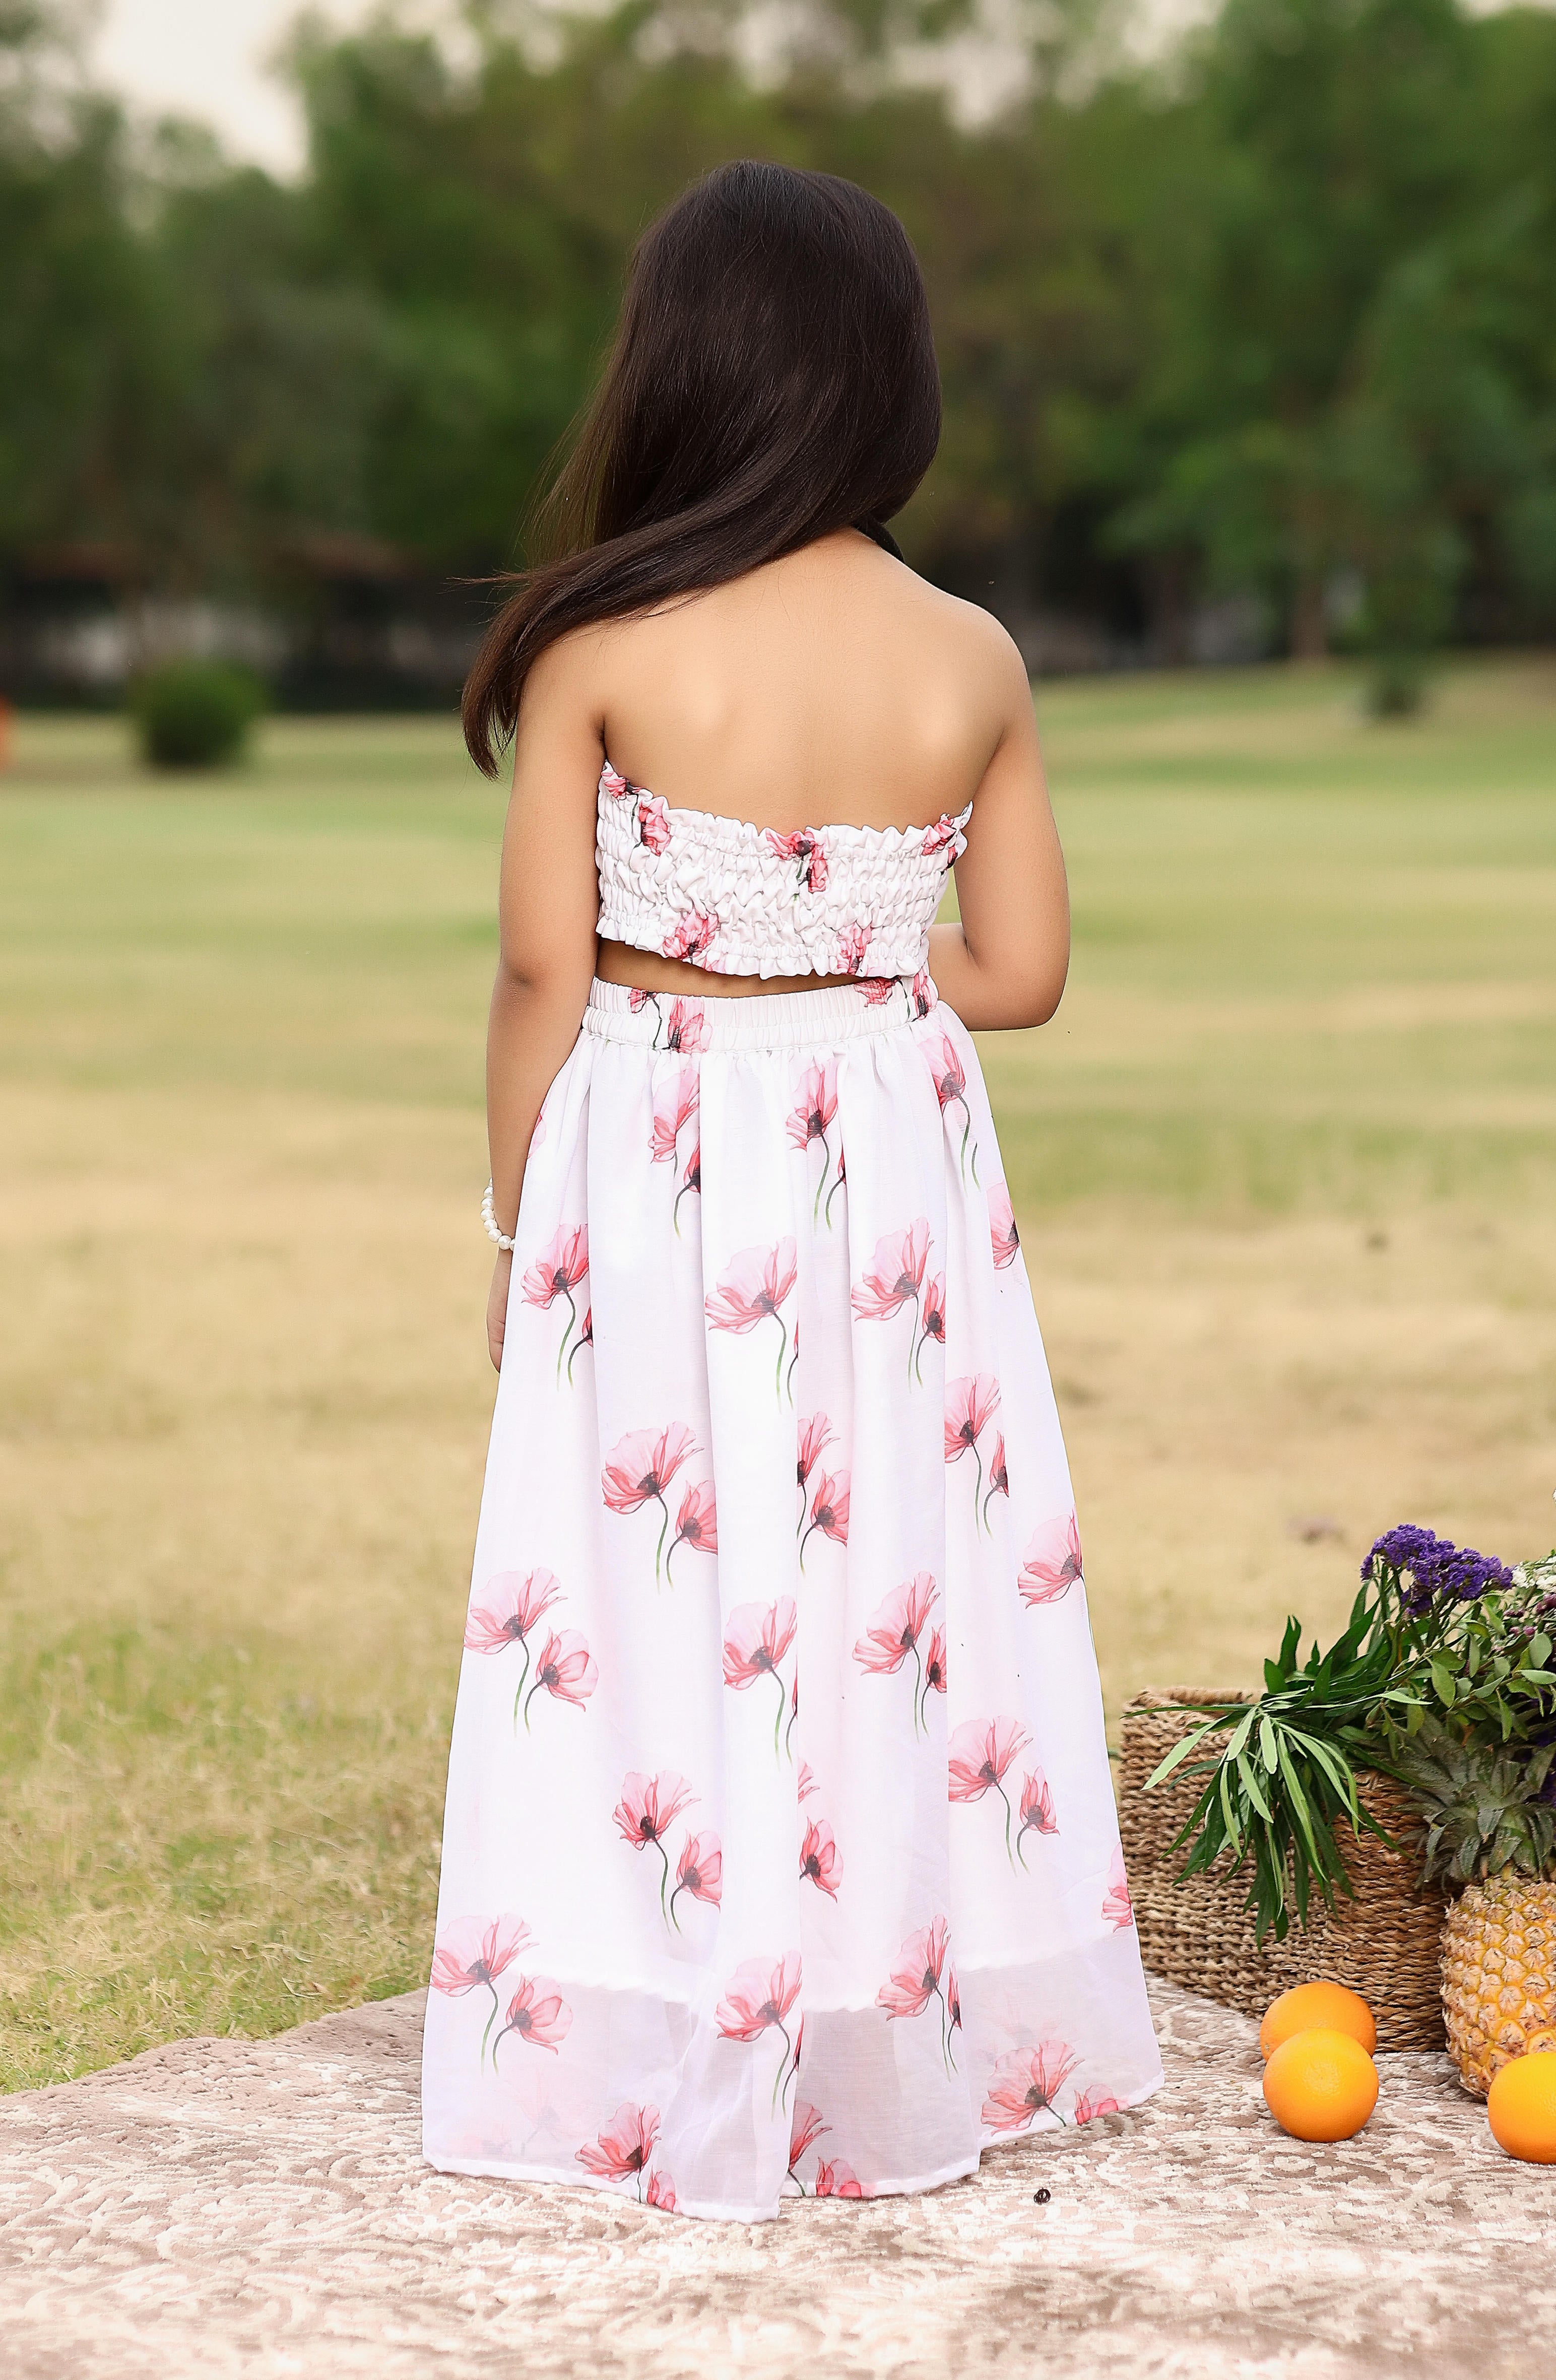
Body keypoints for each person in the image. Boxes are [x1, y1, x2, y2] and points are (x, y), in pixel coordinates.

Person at [422, 159, 1161, 2222]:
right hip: (889, 1161)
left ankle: (671, 2008)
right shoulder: (973, 654)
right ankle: (882, 2022)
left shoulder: (598, 641)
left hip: (656, 1149)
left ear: (679, 373)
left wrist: (515, 1234)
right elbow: (1017, 973)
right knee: (881, 1582)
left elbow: (537, 974)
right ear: (889, 388)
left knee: (663, 1584)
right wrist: (846, 968)